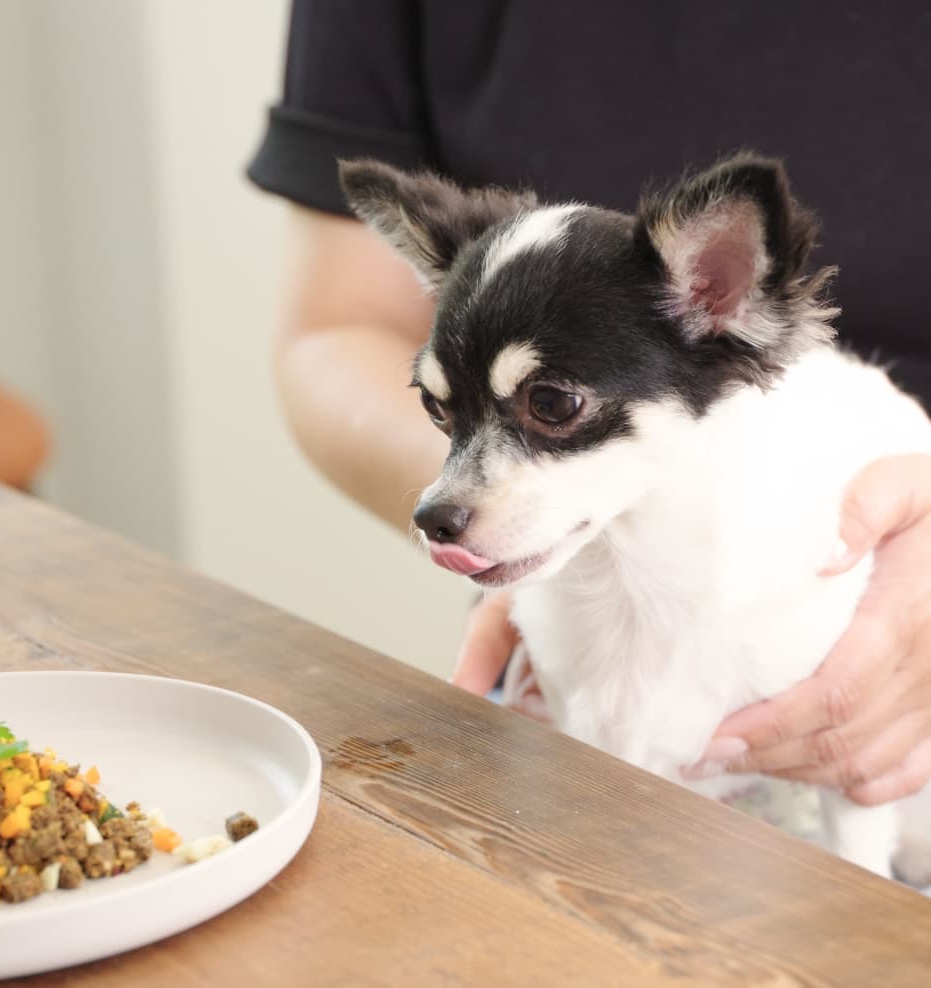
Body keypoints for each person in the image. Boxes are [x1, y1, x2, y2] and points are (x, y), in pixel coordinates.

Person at [247, 1, 931, 808]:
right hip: (569, 681)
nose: (440, 496)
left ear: (719, 288)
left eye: (554, 406)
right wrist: (532, 523)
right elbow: (339, 327)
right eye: (445, 414)